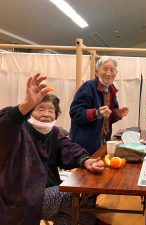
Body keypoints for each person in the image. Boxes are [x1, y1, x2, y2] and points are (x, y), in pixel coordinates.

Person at [0, 73, 105, 225]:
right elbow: (4, 125)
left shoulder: (55, 133)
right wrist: (26, 105)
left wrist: (85, 160)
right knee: (75, 198)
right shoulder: (19, 130)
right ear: (30, 112)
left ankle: (95, 219)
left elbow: (68, 148)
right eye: (40, 109)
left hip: (45, 193)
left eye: (50, 110)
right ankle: (98, 220)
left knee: (72, 217)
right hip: (19, 198)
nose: (46, 114)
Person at [69, 56, 129, 155]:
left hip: (102, 142)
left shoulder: (111, 89)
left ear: (116, 73)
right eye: (105, 69)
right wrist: (97, 113)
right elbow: (75, 113)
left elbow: (108, 117)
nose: (108, 73)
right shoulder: (88, 86)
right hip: (84, 145)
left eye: (112, 70)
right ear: (97, 72)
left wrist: (117, 113)